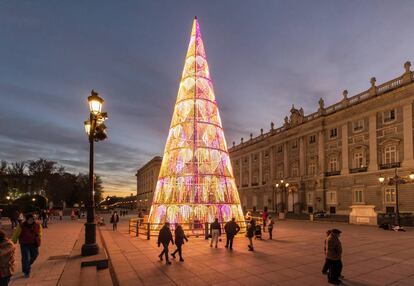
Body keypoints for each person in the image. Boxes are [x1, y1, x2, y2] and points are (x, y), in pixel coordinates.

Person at [11, 214, 42, 278]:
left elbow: (39, 232)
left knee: (35, 255)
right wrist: (12, 242)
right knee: (26, 257)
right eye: (29, 219)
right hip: (24, 244)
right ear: (26, 219)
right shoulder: (21, 226)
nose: (31, 220)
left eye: (32, 219)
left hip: (34, 243)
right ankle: (26, 271)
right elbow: (16, 234)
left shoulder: (37, 225)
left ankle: (27, 265)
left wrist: (39, 239)